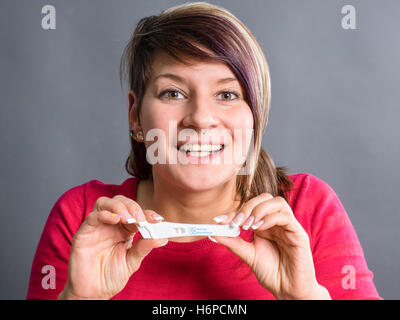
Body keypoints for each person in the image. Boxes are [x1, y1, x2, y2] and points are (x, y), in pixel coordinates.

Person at [26, 2, 381, 300]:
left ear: (255, 117)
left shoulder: (308, 210)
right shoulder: (83, 218)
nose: (200, 119)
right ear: (135, 115)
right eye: (173, 93)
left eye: (227, 95)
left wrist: (305, 297)